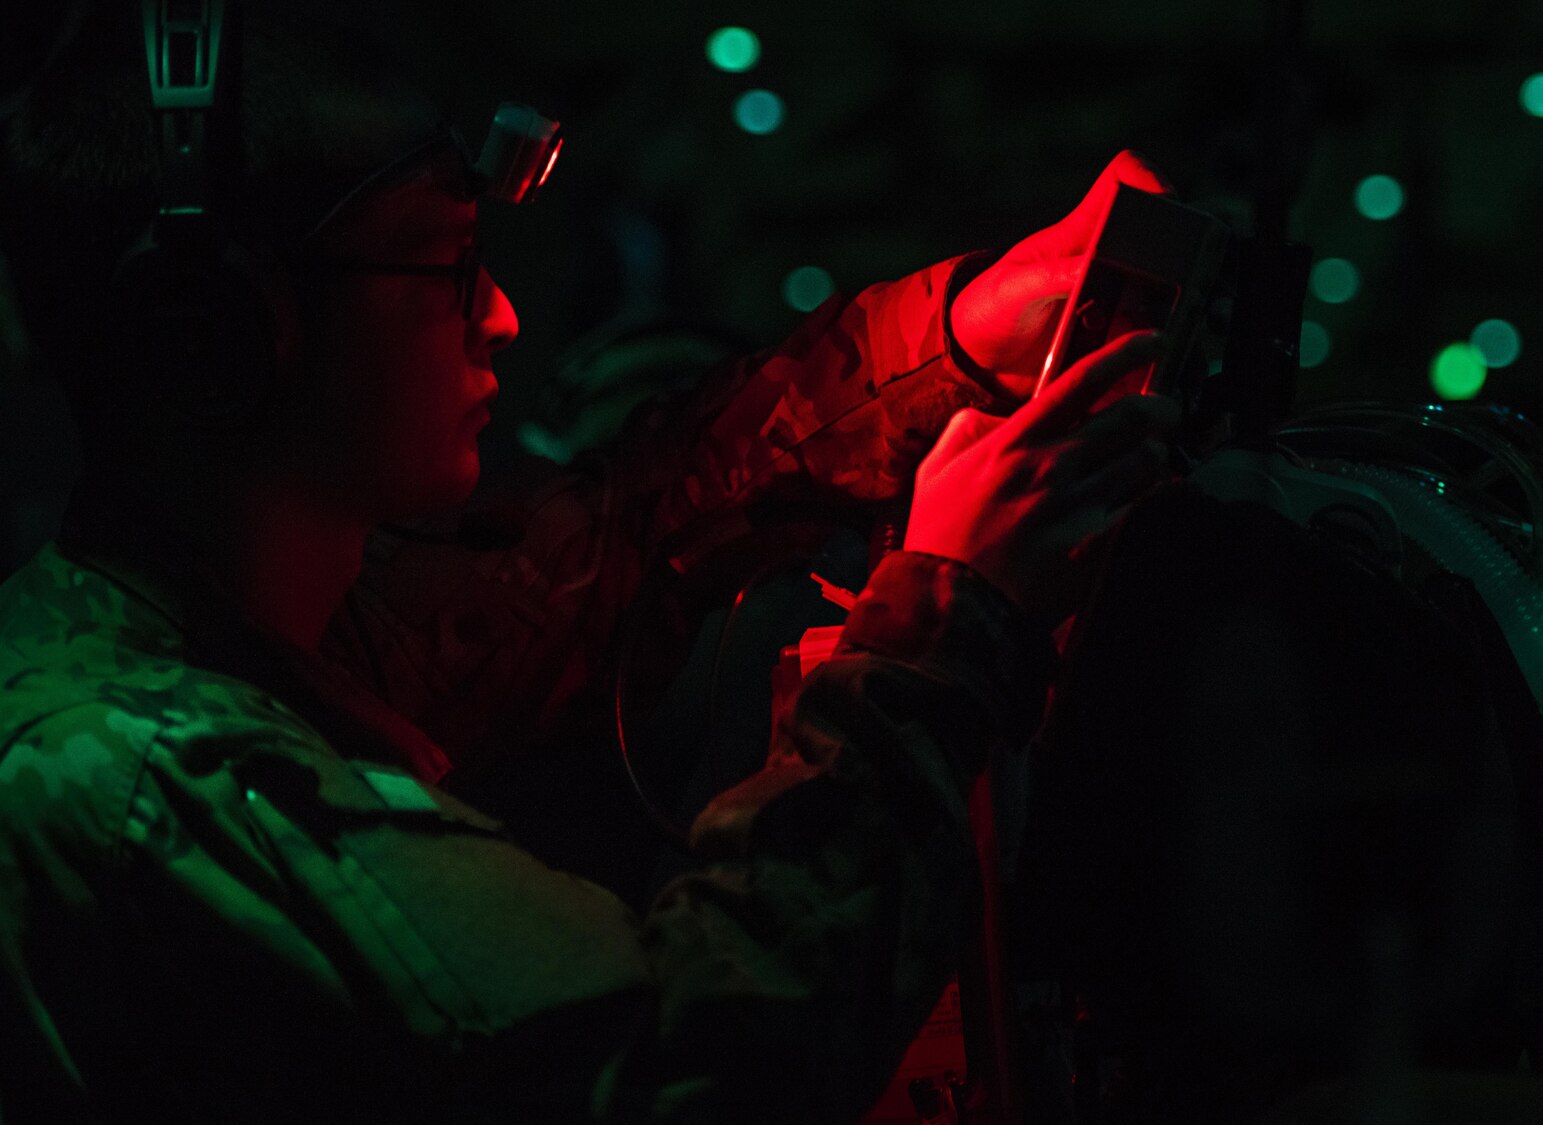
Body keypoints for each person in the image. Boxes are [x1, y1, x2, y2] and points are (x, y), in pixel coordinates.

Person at [0, 5, 1178, 1120]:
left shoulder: (229, 635)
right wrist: (947, 622)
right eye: (444, 263)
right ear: (224, 332)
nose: (502, 315)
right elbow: (685, 1062)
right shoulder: (160, 787)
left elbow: (604, 549)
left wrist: (948, 336)